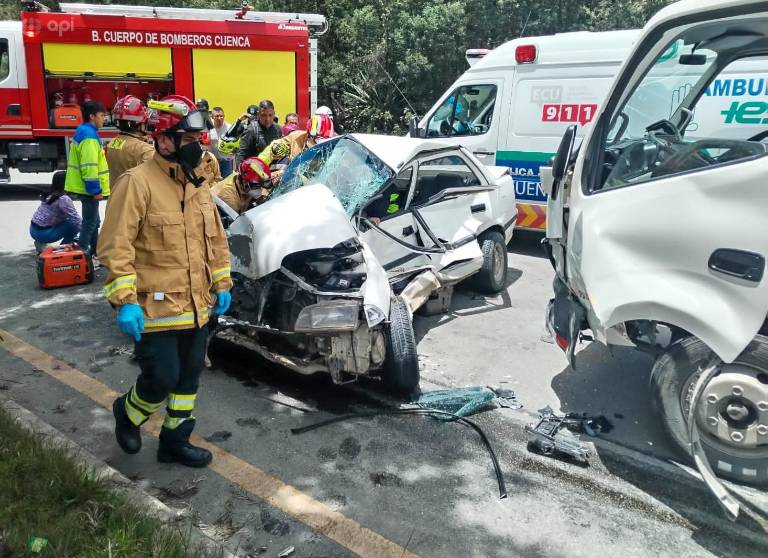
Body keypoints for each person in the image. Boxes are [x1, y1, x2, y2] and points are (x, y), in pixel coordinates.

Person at [97, 94, 233, 468]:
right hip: (153, 306)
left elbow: (216, 240)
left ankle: (175, 442)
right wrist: (125, 301)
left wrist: (222, 285)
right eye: (190, 140)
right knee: (161, 377)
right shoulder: (137, 184)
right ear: (164, 138)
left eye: (200, 139)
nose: (198, 147)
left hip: (196, 304)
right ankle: (128, 414)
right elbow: (114, 245)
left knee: (188, 379)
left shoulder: (198, 185)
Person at [64, 100, 110, 256]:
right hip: (88, 189)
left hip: (85, 188)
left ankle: (95, 252)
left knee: (93, 221)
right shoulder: (89, 136)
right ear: (92, 116)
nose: (104, 119)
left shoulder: (84, 131)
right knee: (90, 222)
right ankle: (82, 254)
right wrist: (95, 190)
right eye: (102, 115)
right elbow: (89, 167)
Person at [106, 95, 154, 188]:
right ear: (140, 123)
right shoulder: (144, 149)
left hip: (116, 196)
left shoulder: (114, 141)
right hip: (135, 200)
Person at [30, 170, 81, 252]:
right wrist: (87, 236)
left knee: (67, 219)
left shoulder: (49, 194)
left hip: (33, 231)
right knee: (75, 223)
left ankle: (40, 244)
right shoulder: (63, 198)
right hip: (44, 234)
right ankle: (63, 249)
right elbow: (77, 220)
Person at [236, 99, 282, 166]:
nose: (267, 119)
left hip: (274, 172)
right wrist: (242, 172)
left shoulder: (278, 129)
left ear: (274, 114)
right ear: (258, 114)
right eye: (264, 115)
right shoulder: (251, 130)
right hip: (254, 172)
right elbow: (241, 154)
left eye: (270, 115)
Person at [209, 106, 233, 177]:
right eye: (217, 116)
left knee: (226, 183)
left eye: (221, 116)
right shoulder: (208, 127)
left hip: (225, 161)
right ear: (212, 117)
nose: (219, 118)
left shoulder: (229, 128)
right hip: (211, 161)